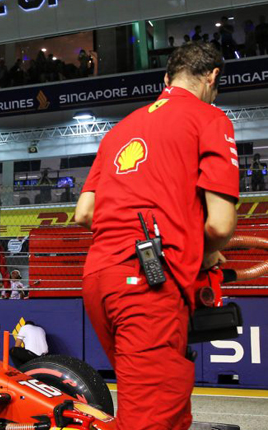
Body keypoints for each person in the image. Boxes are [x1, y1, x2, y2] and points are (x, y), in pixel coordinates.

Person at [74, 42, 238, 430]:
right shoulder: (210, 118)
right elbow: (220, 224)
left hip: (100, 278)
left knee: (170, 409)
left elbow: (84, 213)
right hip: (147, 285)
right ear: (213, 77)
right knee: (148, 421)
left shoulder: (119, 130)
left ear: (166, 79)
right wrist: (207, 253)